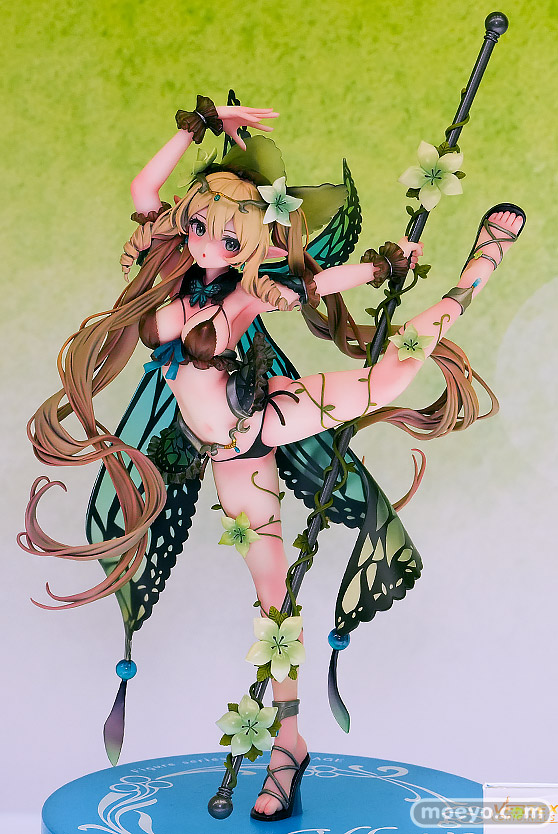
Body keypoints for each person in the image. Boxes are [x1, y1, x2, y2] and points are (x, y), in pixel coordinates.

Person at [20, 96, 524, 821]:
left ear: (253, 241)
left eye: (230, 237)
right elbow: (143, 189)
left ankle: (476, 271)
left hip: (268, 415)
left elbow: (311, 286)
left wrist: (380, 267)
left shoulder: (245, 297)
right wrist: (195, 126)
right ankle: (289, 742)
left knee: (389, 377)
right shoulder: (166, 275)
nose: (208, 244)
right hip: (228, 456)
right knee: (273, 600)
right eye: (201, 226)